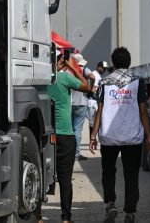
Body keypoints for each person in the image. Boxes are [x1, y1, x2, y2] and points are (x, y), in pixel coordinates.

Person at [89, 47, 150, 223]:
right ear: (129, 62)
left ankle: (110, 203)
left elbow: (100, 110)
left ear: (114, 63)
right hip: (133, 137)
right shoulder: (137, 81)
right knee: (131, 175)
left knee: (108, 172)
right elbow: (143, 111)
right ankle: (130, 212)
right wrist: (148, 136)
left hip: (109, 137)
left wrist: (93, 135)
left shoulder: (104, 82)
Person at [47, 53, 90, 223]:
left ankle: (37, 215)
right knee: (65, 178)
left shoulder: (39, 79)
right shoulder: (64, 77)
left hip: (46, 135)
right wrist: (72, 67)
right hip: (65, 135)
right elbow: (86, 86)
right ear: (59, 62)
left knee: (44, 174)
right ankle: (66, 218)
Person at [71, 53, 92, 161]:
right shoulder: (84, 69)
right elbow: (92, 77)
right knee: (77, 129)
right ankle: (76, 154)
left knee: (69, 129)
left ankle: (69, 152)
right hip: (81, 102)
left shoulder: (67, 70)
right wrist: (91, 89)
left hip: (69, 103)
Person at [87, 61, 108, 137]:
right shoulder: (95, 75)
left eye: (105, 69)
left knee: (94, 121)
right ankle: (92, 138)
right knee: (92, 121)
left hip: (94, 101)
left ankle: (93, 138)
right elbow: (93, 89)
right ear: (99, 67)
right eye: (103, 68)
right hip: (92, 101)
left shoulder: (97, 75)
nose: (104, 70)